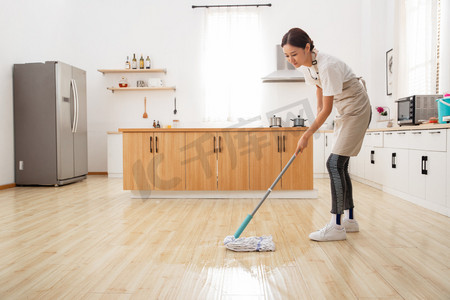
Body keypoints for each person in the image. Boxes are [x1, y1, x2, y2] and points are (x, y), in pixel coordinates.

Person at [281, 28, 371, 242]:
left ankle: (336, 226)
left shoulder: (327, 65)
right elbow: (321, 105)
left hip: (356, 110)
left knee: (333, 164)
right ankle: (349, 220)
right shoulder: (307, 68)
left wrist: (306, 135)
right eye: (287, 56)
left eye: (294, 54)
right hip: (345, 111)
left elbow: (327, 109)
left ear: (307, 47)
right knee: (340, 165)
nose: (291, 60)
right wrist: (312, 129)